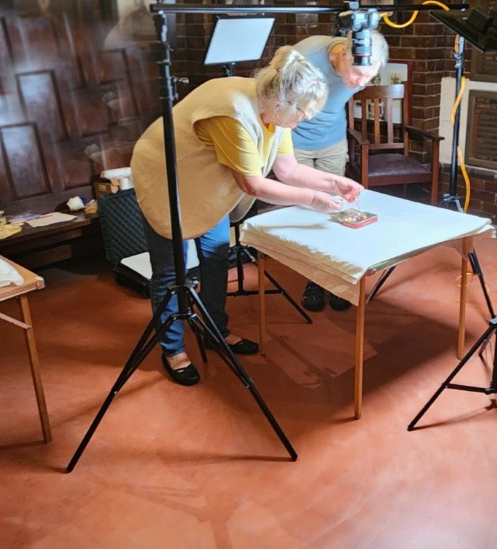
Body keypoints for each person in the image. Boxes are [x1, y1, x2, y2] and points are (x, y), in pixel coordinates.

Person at [130, 47, 365, 386]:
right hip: (168, 178)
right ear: (283, 100)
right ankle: (173, 349)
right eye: (302, 113)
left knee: (215, 256)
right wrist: (315, 199)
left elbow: (288, 170)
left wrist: (334, 183)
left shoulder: (276, 107)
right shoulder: (234, 111)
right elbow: (253, 185)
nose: (305, 120)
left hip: (207, 180)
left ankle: (215, 331)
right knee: (172, 271)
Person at [291, 31, 389, 312]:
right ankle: (313, 279)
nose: (360, 83)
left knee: (335, 210)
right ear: (344, 55)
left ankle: (332, 279)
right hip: (296, 143)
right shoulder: (306, 57)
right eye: (358, 74)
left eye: (368, 78)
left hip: (333, 140)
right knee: (308, 210)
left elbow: (344, 95)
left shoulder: (362, 67)